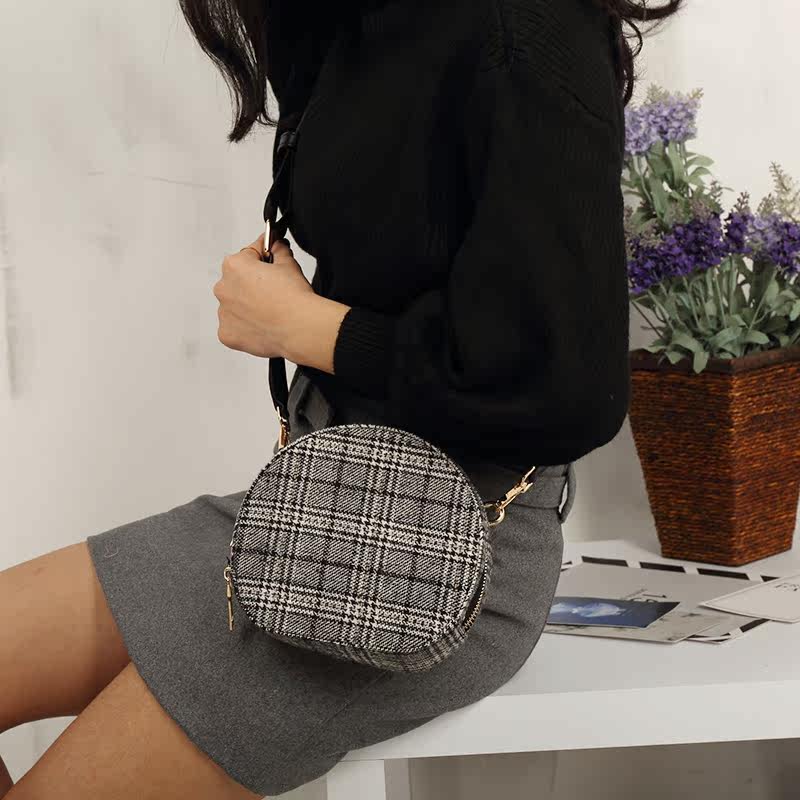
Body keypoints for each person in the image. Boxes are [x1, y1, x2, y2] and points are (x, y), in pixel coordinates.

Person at [0, 0, 683, 797]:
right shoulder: (342, 18)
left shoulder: (525, 28)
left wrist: (309, 329)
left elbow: (569, 387)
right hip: (315, 504)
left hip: (448, 555)